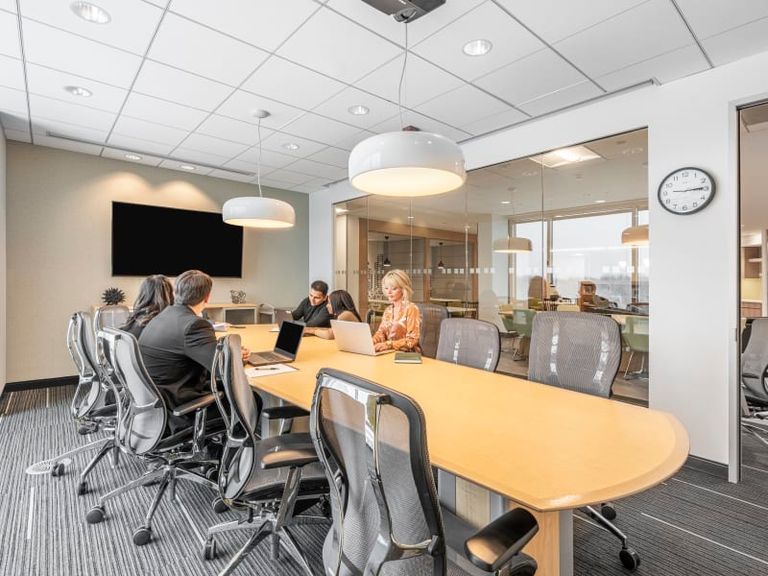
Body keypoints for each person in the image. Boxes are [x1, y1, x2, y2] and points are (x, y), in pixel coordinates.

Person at [139, 270, 248, 432]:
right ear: (207, 297)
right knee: (250, 399)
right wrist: (237, 356)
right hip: (178, 409)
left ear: (176, 292)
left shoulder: (162, 316)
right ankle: (231, 449)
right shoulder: (194, 325)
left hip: (154, 403)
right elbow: (222, 370)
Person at [372, 269, 421, 352]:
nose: (389, 292)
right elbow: (381, 333)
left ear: (403, 289)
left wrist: (389, 344)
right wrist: (371, 341)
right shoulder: (388, 310)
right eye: (386, 288)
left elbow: (412, 340)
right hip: (389, 352)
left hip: (407, 354)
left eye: (394, 288)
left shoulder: (411, 309)